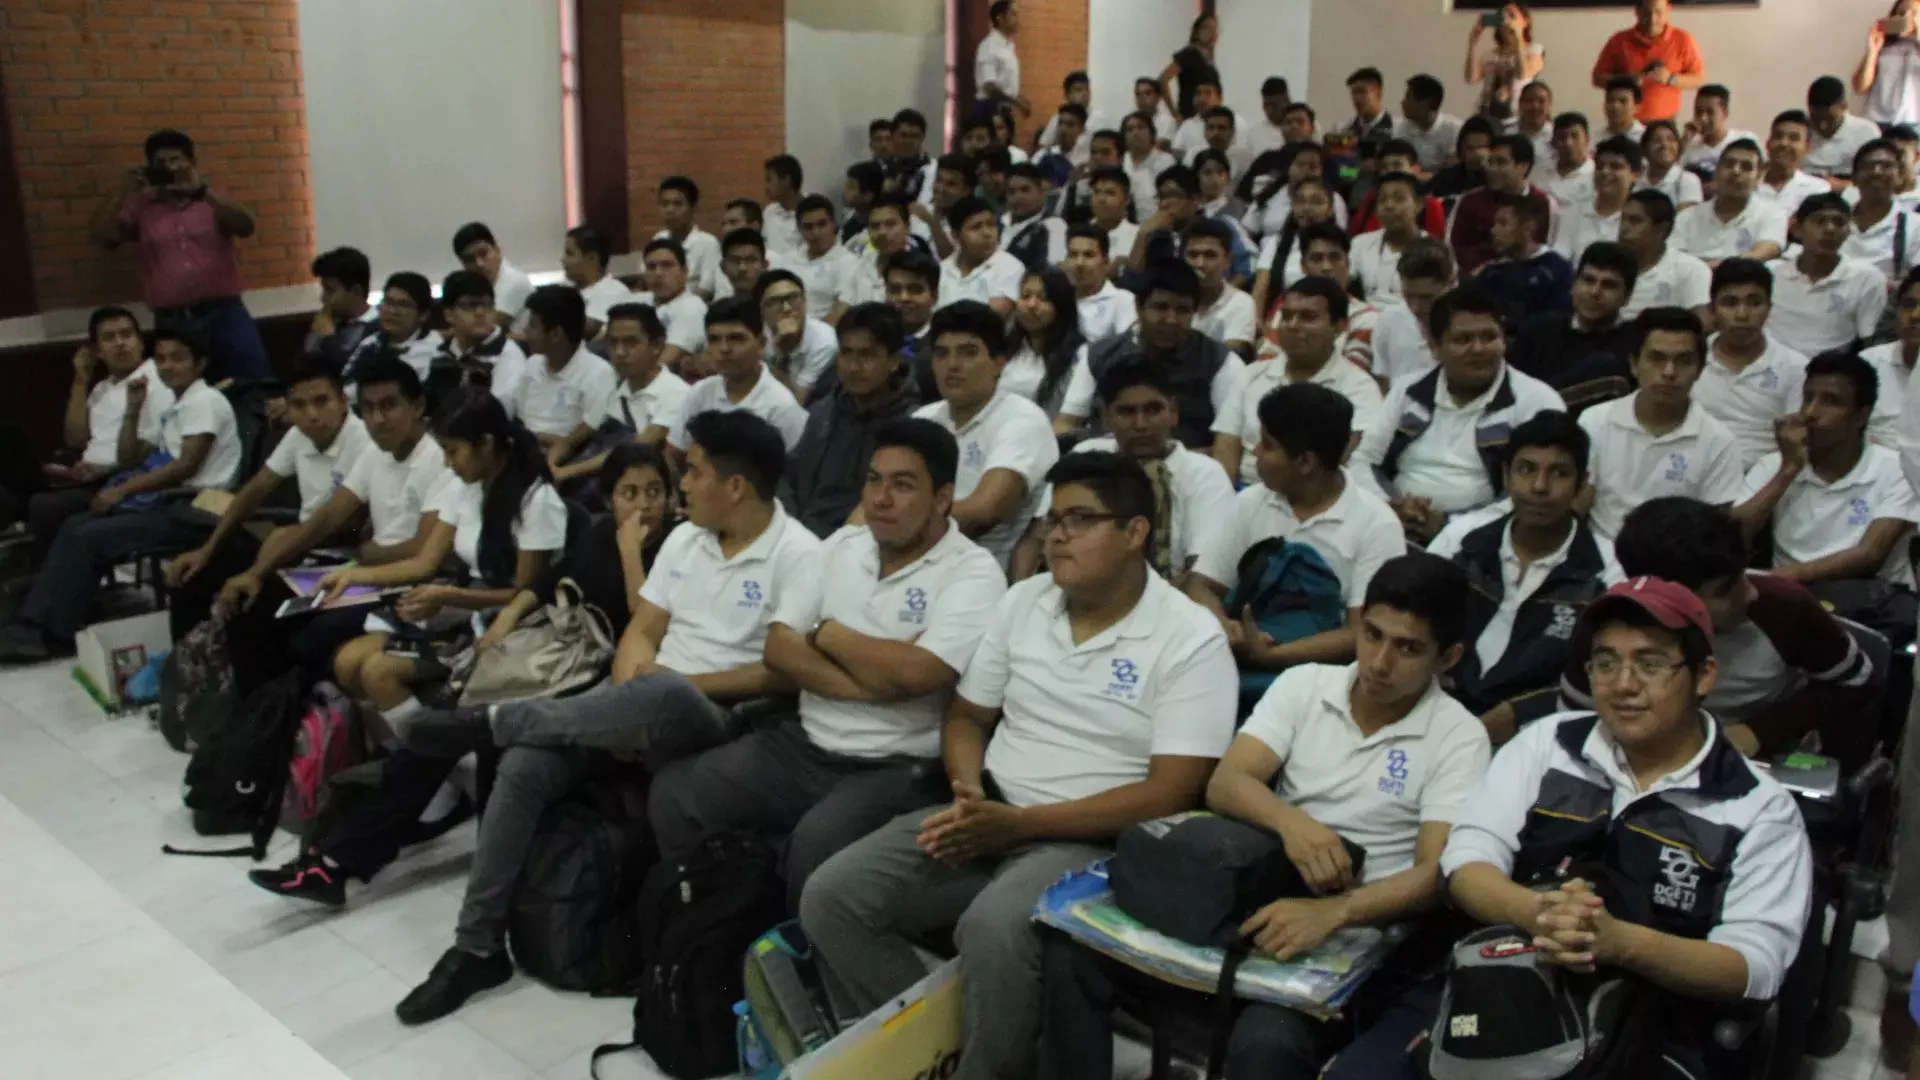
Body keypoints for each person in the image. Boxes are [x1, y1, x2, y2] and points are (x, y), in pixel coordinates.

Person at [800, 450, 1237, 1080]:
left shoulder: (1190, 638)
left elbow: (1172, 793)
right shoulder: (1026, 600)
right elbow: (966, 718)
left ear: (1135, 532)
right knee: (834, 896)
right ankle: (939, 1055)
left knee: (993, 930)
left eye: (1080, 520)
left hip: (1093, 841)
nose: (1056, 535)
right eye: (1052, 519)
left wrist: (1022, 823)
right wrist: (969, 791)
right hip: (990, 808)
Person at [386, 410, 820, 1022]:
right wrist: (622, 699)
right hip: (640, 704)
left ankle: (495, 720)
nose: (682, 486)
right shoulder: (687, 539)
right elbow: (642, 627)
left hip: (721, 718)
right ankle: (475, 945)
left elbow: (779, 672)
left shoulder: (802, 556)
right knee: (528, 765)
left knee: (666, 696)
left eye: (692, 473)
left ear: (736, 486)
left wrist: (666, 686)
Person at [1324, 574, 1812, 1080]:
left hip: (1652, 1025)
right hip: (1495, 981)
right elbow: (1466, 860)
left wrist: (1617, 942)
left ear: (1704, 675)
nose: (1623, 684)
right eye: (1605, 663)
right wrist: (1539, 915)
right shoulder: (1548, 744)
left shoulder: (1756, 806)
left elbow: (1752, 967)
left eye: (1649, 664)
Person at [1045, 553, 1489, 1080]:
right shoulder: (1307, 685)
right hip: (1259, 883)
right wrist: (1293, 824)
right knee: (1071, 953)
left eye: (1408, 648)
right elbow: (1227, 782)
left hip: (1361, 925)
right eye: (1371, 634)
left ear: (1448, 657)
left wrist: (1336, 911)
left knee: (1266, 1042)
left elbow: (1434, 874)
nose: (1379, 661)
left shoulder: (1458, 736)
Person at [660, 417, 1007, 912]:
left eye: (903, 484)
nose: (881, 498)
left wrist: (829, 633)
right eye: (873, 480)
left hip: (895, 765)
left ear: (943, 498)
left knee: (815, 849)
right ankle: (702, 933)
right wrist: (874, 680)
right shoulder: (843, 547)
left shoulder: (973, 572)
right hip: (804, 745)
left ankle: (786, 967)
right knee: (676, 793)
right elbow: (779, 648)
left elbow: (918, 674)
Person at [1561, 497, 1879, 765]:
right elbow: (1575, 723)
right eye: (1726, 589)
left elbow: (1856, 680)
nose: (1749, 593)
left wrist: (1759, 730)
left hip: (1763, 761)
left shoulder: (1782, 605)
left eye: (1742, 575)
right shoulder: (1604, 625)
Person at [204, 358, 450, 699]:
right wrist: (257, 572)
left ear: (418, 406)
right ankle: (258, 717)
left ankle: (296, 720)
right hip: (366, 576)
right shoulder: (378, 452)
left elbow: (423, 551)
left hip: (407, 584)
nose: (378, 419)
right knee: (255, 602)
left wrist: (370, 553)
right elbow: (326, 518)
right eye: (369, 409)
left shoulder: (438, 457)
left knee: (314, 634)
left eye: (389, 406)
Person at [0, 330, 241, 661]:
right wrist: (132, 410)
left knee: (88, 536)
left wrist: (121, 491)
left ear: (200, 364)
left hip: (195, 510)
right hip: (167, 502)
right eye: (162, 359)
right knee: (76, 525)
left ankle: (50, 633)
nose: (168, 366)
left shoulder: (206, 402)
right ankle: (43, 622)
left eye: (178, 358)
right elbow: (131, 457)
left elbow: (185, 466)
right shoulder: (175, 404)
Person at [1428, 413, 1622, 742]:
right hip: (1436, 713)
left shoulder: (1608, 571)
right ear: (1506, 475)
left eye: (1559, 473)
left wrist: (1518, 716)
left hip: (1540, 736)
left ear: (1581, 484)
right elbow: (1414, 624)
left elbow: (1602, 676)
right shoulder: (1462, 542)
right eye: (1526, 469)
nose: (1539, 487)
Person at [1189, 382, 1405, 675]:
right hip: (1230, 658)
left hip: (1322, 677)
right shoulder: (1251, 502)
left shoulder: (1377, 525)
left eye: (1267, 444)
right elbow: (1201, 586)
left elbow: (1364, 632)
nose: (1254, 451)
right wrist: (1224, 626)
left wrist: (1271, 656)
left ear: (1305, 462)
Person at [163, 360, 370, 640]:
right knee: (192, 577)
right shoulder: (298, 436)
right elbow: (254, 491)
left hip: (343, 552)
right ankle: (189, 672)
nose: (312, 415)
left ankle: (253, 682)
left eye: (322, 402)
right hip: (299, 546)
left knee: (250, 601)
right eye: (299, 405)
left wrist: (257, 572)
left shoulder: (365, 441)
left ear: (344, 401)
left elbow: (334, 521)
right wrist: (206, 550)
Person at [1354, 287, 1567, 543]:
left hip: (1486, 541)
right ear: (1434, 347)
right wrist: (1390, 507)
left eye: (1489, 337)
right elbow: (1363, 460)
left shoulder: (1537, 401)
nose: (1478, 349)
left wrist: (1450, 526)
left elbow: (1536, 495)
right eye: (1463, 340)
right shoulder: (1408, 389)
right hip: (1396, 525)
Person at [1015, 361, 1234, 582]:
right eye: (1127, 412)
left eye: (1153, 410)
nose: (1141, 424)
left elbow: (1201, 574)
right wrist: (1021, 593)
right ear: (1106, 418)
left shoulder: (1205, 474)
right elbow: (1035, 540)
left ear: (1173, 412)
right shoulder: (1087, 455)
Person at [88, 128, 269, 381]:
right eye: (161, 163)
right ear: (150, 168)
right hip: (173, 321)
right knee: (182, 391)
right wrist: (123, 193)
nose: (170, 167)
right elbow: (103, 238)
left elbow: (246, 226)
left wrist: (200, 190)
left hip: (225, 314)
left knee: (253, 381)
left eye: (176, 160)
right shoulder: (140, 205)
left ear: (192, 162)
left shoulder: (213, 200)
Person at [1736, 349, 1920, 591]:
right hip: (1789, 596)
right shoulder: (1774, 464)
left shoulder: (1896, 468)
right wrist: (1788, 471)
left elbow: (1869, 555)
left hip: (1872, 601)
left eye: (1831, 401)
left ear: (1861, 416)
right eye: (1808, 397)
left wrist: (1768, 579)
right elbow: (1734, 537)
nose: (1811, 412)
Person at [911, 301, 1059, 569]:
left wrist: (898, 518)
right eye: (942, 354)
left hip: (978, 572)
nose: (952, 365)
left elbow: (982, 512)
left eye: (968, 353)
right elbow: (874, 501)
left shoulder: (1022, 420)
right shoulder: (923, 419)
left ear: (998, 364)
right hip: (908, 559)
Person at [1578, 307, 1744, 544]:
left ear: (1699, 370)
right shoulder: (1594, 421)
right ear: (1634, 364)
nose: (1669, 372)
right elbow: (1577, 506)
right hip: (1599, 558)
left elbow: (1714, 533)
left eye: (1683, 361)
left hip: (1676, 566)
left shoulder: (1720, 442)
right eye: (1656, 359)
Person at [26, 307, 174, 550]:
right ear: (97, 352)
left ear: (140, 341)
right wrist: (80, 380)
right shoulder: (101, 389)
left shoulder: (156, 381)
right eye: (109, 338)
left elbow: (148, 449)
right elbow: (75, 440)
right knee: (30, 491)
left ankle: (54, 576)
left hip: (125, 478)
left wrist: (100, 468)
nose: (119, 343)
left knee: (45, 507)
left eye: (126, 334)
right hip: (88, 477)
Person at [1213, 277, 1384, 486]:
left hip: (1313, 500)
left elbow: (1350, 460)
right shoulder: (1251, 375)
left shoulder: (1359, 388)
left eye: (1308, 317)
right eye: (1286, 316)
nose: (1293, 325)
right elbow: (1226, 443)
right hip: (1245, 493)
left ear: (1340, 326)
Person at [1057, 261, 1243, 449]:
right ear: (1139, 307)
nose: (1171, 320)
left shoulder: (1220, 362)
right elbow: (1067, 422)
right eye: (1161, 307)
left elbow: (1229, 443)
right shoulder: (1099, 354)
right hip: (1106, 466)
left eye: (1183, 310)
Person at [783, 303, 921, 537]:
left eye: (867, 355)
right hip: (800, 538)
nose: (853, 367)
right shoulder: (822, 412)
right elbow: (789, 477)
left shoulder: (912, 426)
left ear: (894, 361)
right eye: (846, 353)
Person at [549, 303, 689, 487]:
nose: (619, 352)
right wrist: (551, 464)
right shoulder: (611, 387)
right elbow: (577, 436)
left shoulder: (676, 392)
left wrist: (568, 472)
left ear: (656, 345)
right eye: (613, 342)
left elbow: (634, 450)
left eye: (631, 343)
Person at [1698, 259, 1812, 468]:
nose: (1742, 314)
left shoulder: (1795, 367)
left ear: (1769, 308)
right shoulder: (1691, 359)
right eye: (1730, 303)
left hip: (1764, 480)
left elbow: (1796, 442)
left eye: (1754, 302)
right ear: (1712, 310)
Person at [1508, 242, 1640, 414]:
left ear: (1627, 297)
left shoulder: (1635, 343)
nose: (1594, 292)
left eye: (1608, 285)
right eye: (1588, 280)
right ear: (1574, 284)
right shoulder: (1539, 329)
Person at [669, 299, 810, 455]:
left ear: (761, 343)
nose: (724, 349)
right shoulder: (700, 392)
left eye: (736, 338)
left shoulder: (782, 408)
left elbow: (796, 474)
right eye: (714, 340)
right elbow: (675, 453)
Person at [1762, 193, 1886, 362]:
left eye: (1839, 222)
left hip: (1830, 373)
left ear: (1849, 231)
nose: (1830, 229)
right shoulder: (1770, 272)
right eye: (1819, 221)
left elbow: (1868, 343)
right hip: (1769, 365)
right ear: (1797, 229)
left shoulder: (1867, 278)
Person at [509, 286, 618, 462]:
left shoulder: (599, 373)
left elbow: (588, 436)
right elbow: (519, 419)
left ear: (555, 334)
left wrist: (547, 442)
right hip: (525, 453)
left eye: (532, 325)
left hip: (571, 462)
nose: (526, 332)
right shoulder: (531, 365)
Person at [1449, 133, 1554, 275]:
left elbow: (1546, 250)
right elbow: (1453, 246)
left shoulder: (1543, 203)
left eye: (1501, 163)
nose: (1492, 169)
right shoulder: (1469, 201)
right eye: (1490, 162)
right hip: (1474, 279)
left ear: (1522, 167)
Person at [1671, 141, 1789, 265]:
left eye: (1746, 167)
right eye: (1729, 164)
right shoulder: (1686, 218)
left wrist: (1717, 268)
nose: (1736, 171)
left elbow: (1769, 249)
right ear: (1716, 171)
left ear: (1758, 176)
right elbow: (1674, 261)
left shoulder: (1773, 215)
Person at [434, 270, 532, 417]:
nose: (480, 312)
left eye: (487, 305)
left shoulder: (507, 355)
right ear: (449, 314)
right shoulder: (441, 353)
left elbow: (500, 414)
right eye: (470, 305)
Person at [1590, 0, 1705, 124]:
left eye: (1658, 12)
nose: (1652, 19)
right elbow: (1597, 78)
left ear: (1668, 9)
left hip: (1665, 123)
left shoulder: (1683, 39)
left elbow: (1698, 79)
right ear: (1637, 12)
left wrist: (1670, 79)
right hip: (1626, 122)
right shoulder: (1618, 41)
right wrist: (1626, 81)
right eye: (1647, 13)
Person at [1473, 193, 1575, 321]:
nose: (1493, 231)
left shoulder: (1557, 269)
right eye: (1494, 224)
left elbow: (1560, 319)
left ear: (1528, 227)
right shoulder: (1491, 273)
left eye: (1503, 224)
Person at [1370, 239, 1457, 387]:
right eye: (1408, 296)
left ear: (1451, 284)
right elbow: (1383, 381)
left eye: (1427, 298)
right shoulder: (1388, 321)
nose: (1416, 308)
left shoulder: (1470, 325)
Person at [1003, 267, 1086, 415]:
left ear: (1061, 306)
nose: (1032, 305)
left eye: (1043, 298)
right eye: (1025, 296)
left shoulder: (1078, 356)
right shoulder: (1004, 348)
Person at [1619, 189, 1713, 319]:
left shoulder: (1691, 270)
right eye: (1622, 219)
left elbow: (1703, 324)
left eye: (1635, 221)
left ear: (1660, 229)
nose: (1623, 228)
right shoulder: (1607, 266)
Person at [1556, 136, 1642, 266]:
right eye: (1600, 166)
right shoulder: (1573, 212)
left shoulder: (1640, 218)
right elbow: (1559, 259)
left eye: (1615, 167)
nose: (1605, 172)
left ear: (1635, 175)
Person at [756, 271, 839, 405]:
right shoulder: (754, 334)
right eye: (776, 301)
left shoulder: (825, 342)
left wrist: (782, 357)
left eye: (793, 298)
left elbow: (798, 403)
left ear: (805, 300)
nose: (787, 308)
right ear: (761, 310)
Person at [1845, 140, 1920, 289]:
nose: (1876, 172)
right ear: (1853, 178)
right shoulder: (1837, 221)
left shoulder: (1915, 226)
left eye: (1886, 166)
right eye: (1868, 166)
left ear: (1899, 176)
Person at [1348, 171, 1429, 308]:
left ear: (1419, 204)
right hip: (1367, 321)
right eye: (1382, 200)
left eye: (1399, 199)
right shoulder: (1360, 243)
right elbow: (1341, 281)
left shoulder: (1434, 250)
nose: (1389, 205)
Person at [937, 195, 1025, 317]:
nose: (987, 233)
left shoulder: (1010, 267)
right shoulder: (941, 269)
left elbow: (991, 317)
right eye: (976, 227)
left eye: (991, 224)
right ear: (956, 236)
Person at [634, 238, 712, 376]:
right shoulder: (637, 301)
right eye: (651, 267)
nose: (658, 273)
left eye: (667, 265)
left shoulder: (692, 307)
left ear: (685, 271)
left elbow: (665, 362)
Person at [1186, 218, 1258, 360]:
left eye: (1210, 255)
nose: (1199, 264)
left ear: (1227, 261)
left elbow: (1230, 360)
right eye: (1193, 255)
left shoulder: (1240, 303)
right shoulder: (1172, 300)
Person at [303, 247, 380, 373]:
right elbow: (307, 364)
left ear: (356, 291)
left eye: (330, 290)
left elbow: (348, 371)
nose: (323, 298)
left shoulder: (378, 328)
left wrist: (328, 337)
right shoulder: (331, 320)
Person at [1466, 3, 1545, 123]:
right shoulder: (1490, 55)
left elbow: (1522, 74)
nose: (1506, 21)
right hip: (1487, 113)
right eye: (1502, 17)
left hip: (1517, 116)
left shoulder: (1534, 50)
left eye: (1512, 16)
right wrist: (1473, 43)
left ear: (1525, 21)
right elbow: (1470, 78)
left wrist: (1517, 37)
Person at [1063, 224, 1138, 343]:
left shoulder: (1123, 300)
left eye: (1088, 255)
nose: (1079, 263)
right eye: (1073, 255)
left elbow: (1127, 350)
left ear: (1105, 263)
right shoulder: (1056, 300)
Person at [786, 195, 855, 322]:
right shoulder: (788, 259)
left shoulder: (849, 262)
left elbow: (841, 312)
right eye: (808, 227)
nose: (816, 232)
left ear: (833, 224)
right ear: (799, 229)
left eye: (822, 224)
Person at [654, 176, 724, 300]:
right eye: (665, 204)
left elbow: (706, 290)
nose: (670, 210)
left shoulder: (708, 243)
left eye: (677, 204)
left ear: (693, 208)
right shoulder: (658, 239)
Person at [451, 222, 535, 325]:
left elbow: (486, 327)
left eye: (483, 253)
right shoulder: (475, 285)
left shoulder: (514, 282)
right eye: (470, 259)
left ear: (497, 250)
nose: (479, 264)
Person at [560, 224, 632, 340]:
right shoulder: (566, 287)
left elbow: (585, 330)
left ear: (592, 258)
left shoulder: (612, 290)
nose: (562, 260)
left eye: (569, 254)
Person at [1806, 76, 1885, 182]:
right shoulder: (1800, 128)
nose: (1822, 126)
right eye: (1816, 119)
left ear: (1844, 107)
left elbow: (1876, 176)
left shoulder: (1866, 132)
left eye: (1830, 119)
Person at [1858, 1, 1920, 129]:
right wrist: (1872, 51)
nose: (1907, 18)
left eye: (1914, 14)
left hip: (1913, 122)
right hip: (1877, 120)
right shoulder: (1883, 46)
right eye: (1902, 13)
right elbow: (1860, 86)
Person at [1754, 111, 1832, 211]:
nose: (1784, 143)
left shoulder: (1817, 190)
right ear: (1767, 143)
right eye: (1778, 136)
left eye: (1793, 138)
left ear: (1807, 147)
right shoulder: (1748, 185)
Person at [999, 164, 1068, 273]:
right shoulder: (995, 223)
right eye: (1011, 192)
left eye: (1025, 190)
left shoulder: (1054, 225)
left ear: (1041, 191)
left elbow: (1055, 270)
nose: (1018, 197)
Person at [1681, 84, 1755, 185]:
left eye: (1710, 112)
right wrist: (1683, 144)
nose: (1703, 118)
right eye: (1698, 112)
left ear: (1725, 114)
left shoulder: (1744, 140)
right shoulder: (1688, 146)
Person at [1395, 75, 1465, 175]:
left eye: (1408, 98)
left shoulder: (1454, 129)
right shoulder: (1401, 129)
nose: (1403, 102)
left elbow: (1453, 170)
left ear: (1425, 104)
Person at [974, 1, 1027, 121]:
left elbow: (1005, 83)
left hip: (1004, 107)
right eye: (1013, 14)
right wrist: (1017, 102)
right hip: (989, 107)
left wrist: (1019, 98)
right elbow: (989, 86)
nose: (1017, 20)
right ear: (1000, 18)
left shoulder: (1008, 46)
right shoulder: (989, 46)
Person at [1121, 111, 1179, 221]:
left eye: (1141, 127)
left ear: (1151, 133)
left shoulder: (1165, 160)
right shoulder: (1121, 161)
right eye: (1130, 129)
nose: (1136, 133)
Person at [1425, 116, 1497, 204]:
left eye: (1481, 148)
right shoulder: (1448, 177)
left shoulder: (1497, 181)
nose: (1476, 154)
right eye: (1470, 148)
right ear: (1460, 147)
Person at [1164, 12, 1221, 122]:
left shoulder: (1207, 59)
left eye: (1215, 29)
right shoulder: (1188, 55)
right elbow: (1163, 80)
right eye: (1206, 28)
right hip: (1191, 116)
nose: (1212, 33)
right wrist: (1175, 114)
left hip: (1209, 117)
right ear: (1196, 32)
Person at [1637, 120, 1704, 208]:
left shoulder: (1687, 180)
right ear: (1644, 149)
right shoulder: (1636, 185)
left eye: (1671, 140)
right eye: (1657, 140)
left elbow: (1686, 217)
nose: (1664, 145)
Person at [1538, 111, 1597, 209]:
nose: (1568, 143)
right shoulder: (1539, 172)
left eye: (1574, 136)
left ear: (1587, 139)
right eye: (1562, 137)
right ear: (1554, 142)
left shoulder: (1596, 177)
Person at [1037, 72, 1104, 158]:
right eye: (1078, 90)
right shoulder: (1058, 117)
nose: (1085, 94)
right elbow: (1044, 145)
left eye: (1087, 89)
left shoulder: (1099, 118)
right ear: (1067, 95)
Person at [1169, 77, 1227, 163]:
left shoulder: (1236, 122)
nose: (1202, 98)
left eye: (1208, 93)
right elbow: (1177, 152)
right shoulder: (1187, 125)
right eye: (1198, 93)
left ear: (1220, 98)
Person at [763, 154, 808, 261]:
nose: (766, 187)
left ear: (786, 180)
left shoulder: (813, 210)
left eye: (769, 180)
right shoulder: (769, 212)